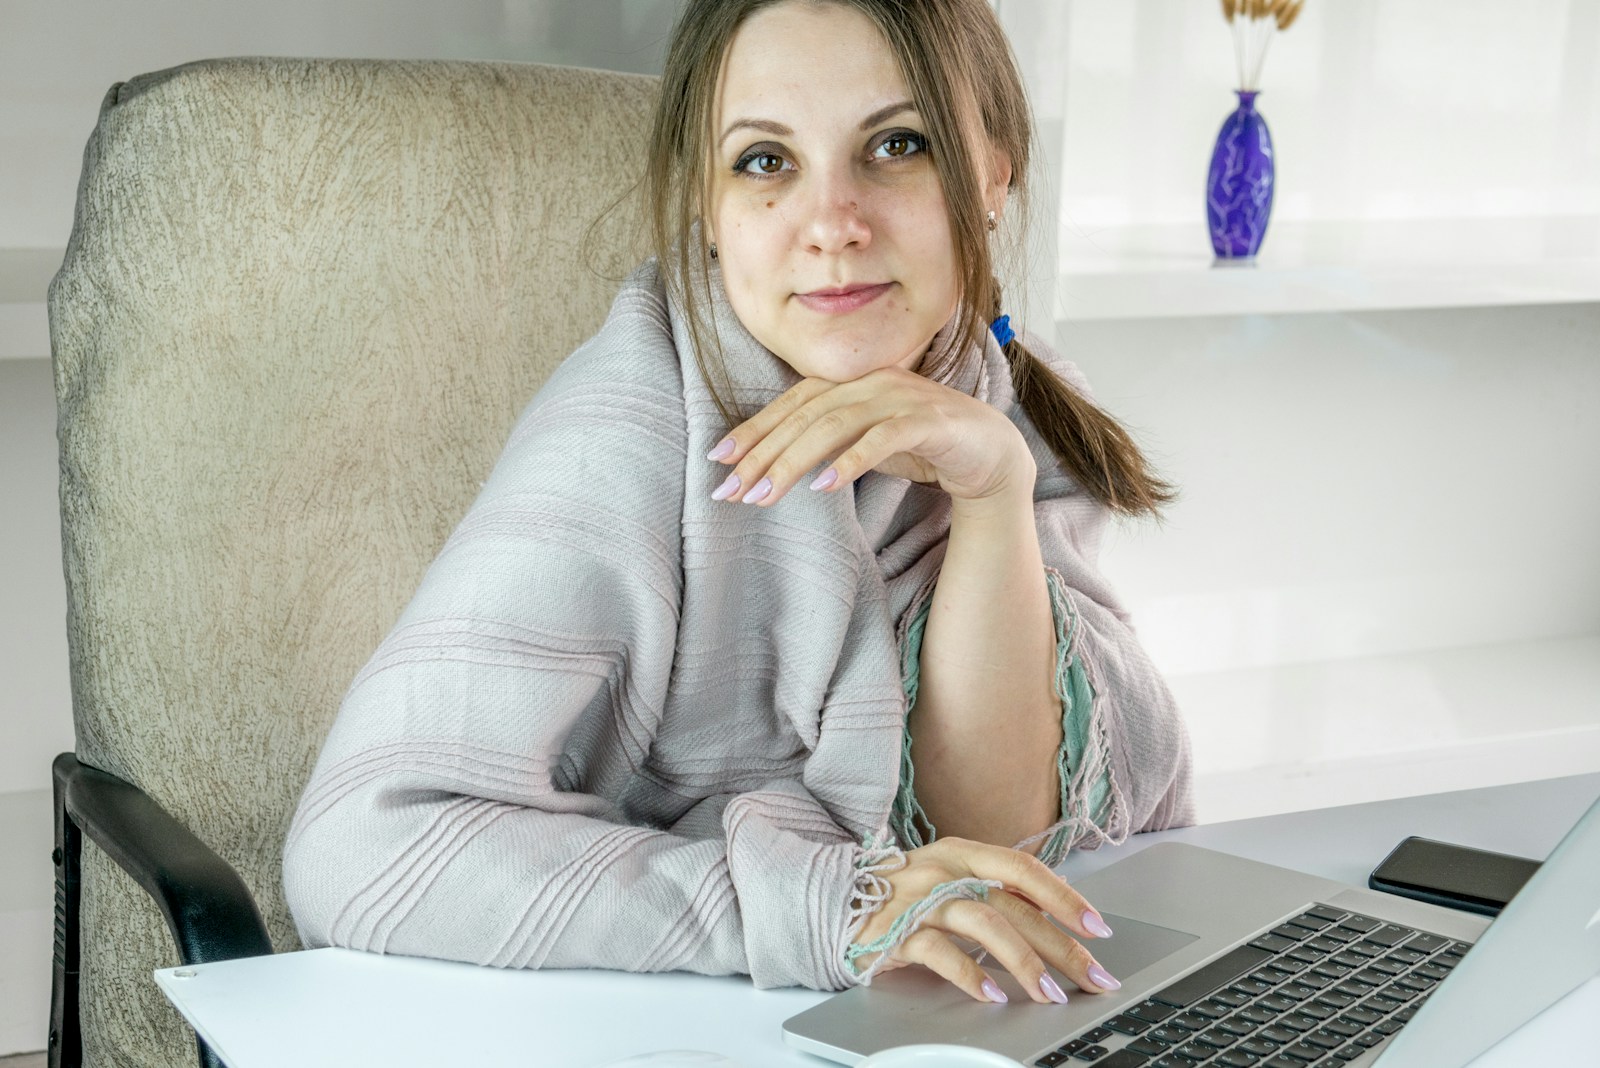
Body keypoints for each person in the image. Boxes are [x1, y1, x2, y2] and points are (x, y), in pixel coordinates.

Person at [283, 0, 1194, 1010]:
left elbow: (995, 834)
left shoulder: (1001, 409)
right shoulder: (628, 425)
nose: (831, 225)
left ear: (993, 173)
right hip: (647, 1017)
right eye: (765, 162)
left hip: (923, 1010)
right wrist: (827, 904)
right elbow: (361, 846)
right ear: (704, 204)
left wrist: (990, 493)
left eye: (897, 145)